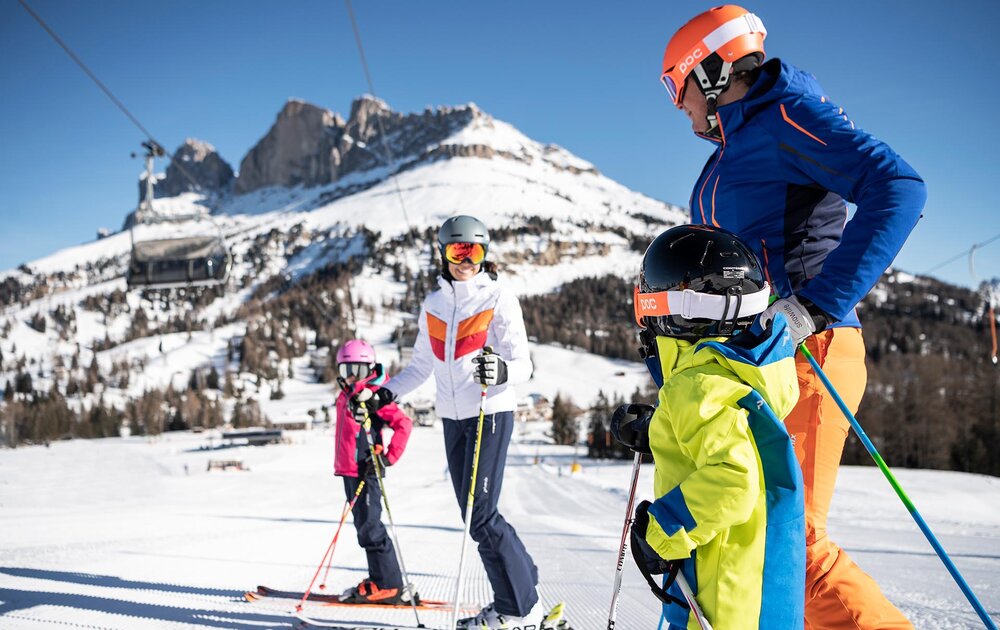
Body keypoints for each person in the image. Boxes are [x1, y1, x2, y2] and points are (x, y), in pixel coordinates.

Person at [658, 6, 925, 628]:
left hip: (810, 352)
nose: (678, 105)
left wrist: (812, 306)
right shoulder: (744, 135)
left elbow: (901, 187)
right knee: (757, 542)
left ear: (715, 69)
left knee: (791, 546)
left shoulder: (785, 115)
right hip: (763, 356)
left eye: (678, 85)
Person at [356, 215, 555, 629]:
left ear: (485, 255)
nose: (466, 260)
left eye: (475, 252)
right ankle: (521, 590)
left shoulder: (498, 297)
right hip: (453, 418)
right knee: (474, 517)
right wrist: (385, 394)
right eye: (457, 251)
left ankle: (518, 609)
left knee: (481, 515)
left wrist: (499, 370)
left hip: (490, 411)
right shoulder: (434, 305)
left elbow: (523, 365)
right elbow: (420, 367)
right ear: (443, 252)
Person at [614, 224, 804, 629]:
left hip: (717, 593)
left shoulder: (694, 387)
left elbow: (734, 478)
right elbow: (732, 440)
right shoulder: (743, 378)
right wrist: (661, 430)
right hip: (759, 590)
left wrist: (664, 531)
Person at [333, 338, 413, 604]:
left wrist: (387, 459)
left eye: (359, 371)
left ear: (370, 369)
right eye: (347, 371)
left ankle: (389, 584)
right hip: (349, 470)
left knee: (371, 527)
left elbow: (404, 424)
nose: (353, 378)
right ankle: (379, 579)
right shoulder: (346, 395)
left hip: (367, 469)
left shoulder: (376, 397)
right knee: (364, 527)